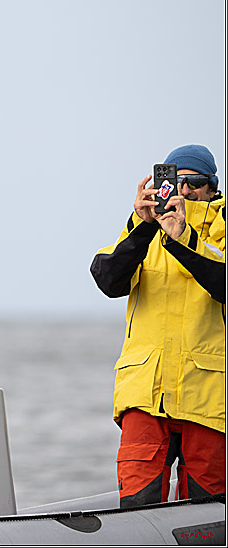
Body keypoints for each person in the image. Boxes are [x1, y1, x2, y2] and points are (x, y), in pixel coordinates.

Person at [90, 144, 225, 507]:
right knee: (137, 510)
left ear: (212, 187)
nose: (183, 190)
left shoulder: (221, 227)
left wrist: (182, 239)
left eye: (194, 183)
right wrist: (142, 227)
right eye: (175, 180)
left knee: (205, 518)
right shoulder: (143, 229)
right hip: (145, 397)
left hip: (209, 400)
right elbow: (108, 279)